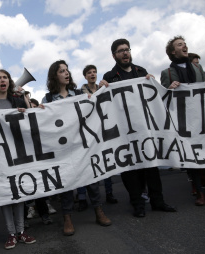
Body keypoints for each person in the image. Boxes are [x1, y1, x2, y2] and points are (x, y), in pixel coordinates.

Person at [99, 39, 177, 217]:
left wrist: (152, 82)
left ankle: (158, 201)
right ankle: (137, 203)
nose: (125, 53)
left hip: (145, 128)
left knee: (152, 166)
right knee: (130, 169)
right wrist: (101, 88)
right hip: (125, 131)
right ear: (114, 55)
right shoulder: (110, 77)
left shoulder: (141, 72)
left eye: (127, 50)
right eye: (120, 51)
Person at [41, 60, 112, 236]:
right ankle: (67, 217)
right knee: (66, 182)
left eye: (67, 70)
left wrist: (102, 87)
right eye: (61, 71)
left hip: (81, 144)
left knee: (91, 178)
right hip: (62, 148)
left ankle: (98, 211)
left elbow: (93, 107)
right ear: (54, 75)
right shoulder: (48, 99)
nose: (66, 73)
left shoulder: (78, 93)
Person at [160, 36, 205, 206]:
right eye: (179, 44)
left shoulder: (198, 68)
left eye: (184, 43)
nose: (184, 45)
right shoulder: (167, 73)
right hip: (184, 122)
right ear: (173, 51)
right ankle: (200, 191)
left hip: (203, 118)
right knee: (191, 156)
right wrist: (169, 89)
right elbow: (163, 98)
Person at [0, 69, 36, 250]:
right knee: (5, 194)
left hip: (17, 153)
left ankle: (21, 231)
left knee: (18, 193)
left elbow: (31, 121)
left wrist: (24, 109)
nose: (2, 80)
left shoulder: (17, 101)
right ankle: (11, 233)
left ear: (9, 82)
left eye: (5, 77)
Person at [77, 64, 118, 206]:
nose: (92, 74)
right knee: (86, 164)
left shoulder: (103, 88)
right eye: (89, 72)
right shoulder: (79, 93)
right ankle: (82, 197)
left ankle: (109, 193)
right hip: (88, 132)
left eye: (94, 72)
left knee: (106, 162)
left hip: (103, 130)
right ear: (85, 76)